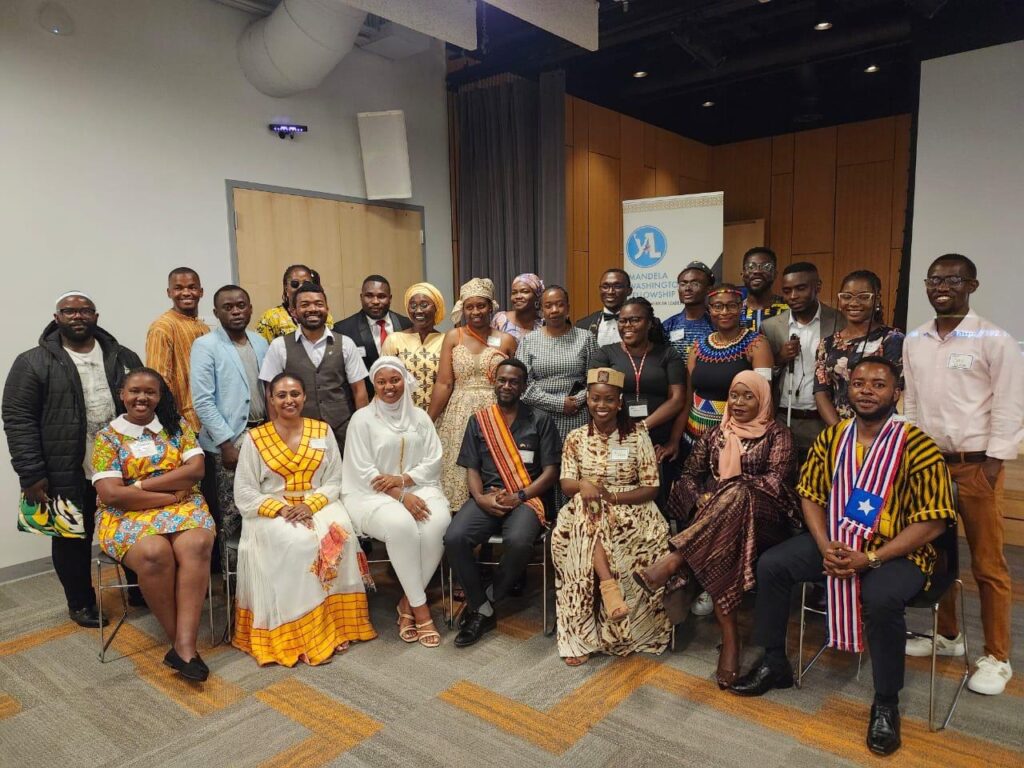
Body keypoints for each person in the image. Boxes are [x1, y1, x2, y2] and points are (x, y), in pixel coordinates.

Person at [729, 357, 956, 758]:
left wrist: (871, 557)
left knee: (882, 599)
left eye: (879, 385)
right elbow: (810, 495)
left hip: (898, 551)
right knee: (773, 564)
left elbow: (933, 524)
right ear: (846, 390)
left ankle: (886, 701)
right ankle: (775, 662)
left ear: (896, 393)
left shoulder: (918, 446)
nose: (867, 390)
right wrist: (824, 547)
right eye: (858, 383)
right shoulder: (833, 439)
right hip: (836, 543)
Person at [903, 253, 1022, 695]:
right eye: (934, 279)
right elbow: (911, 405)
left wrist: (993, 465)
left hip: (978, 465)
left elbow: (1011, 406)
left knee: (988, 564)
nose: (941, 287)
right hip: (930, 464)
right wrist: (912, 454)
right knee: (940, 555)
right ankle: (949, 637)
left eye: (953, 279)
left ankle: (998, 656)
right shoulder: (915, 340)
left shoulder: (994, 339)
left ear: (972, 285)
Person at [636, 371, 799, 687]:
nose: (738, 402)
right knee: (723, 538)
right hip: (718, 527)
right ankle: (730, 637)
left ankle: (674, 560)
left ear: (763, 398)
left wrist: (724, 493)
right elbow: (687, 478)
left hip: (765, 522)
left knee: (736, 494)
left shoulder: (778, 435)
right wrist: (702, 499)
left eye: (747, 396)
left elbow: (777, 484)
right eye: (734, 395)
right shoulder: (714, 434)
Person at [2, 291, 143, 627]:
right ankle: (80, 603)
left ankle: (139, 590)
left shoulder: (123, 356)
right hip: (63, 468)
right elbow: (17, 418)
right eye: (69, 311)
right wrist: (31, 473)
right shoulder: (32, 361)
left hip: (121, 465)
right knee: (70, 539)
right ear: (57, 318)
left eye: (85, 311)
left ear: (96, 316)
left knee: (134, 527)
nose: (78, 316)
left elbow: (146, 401)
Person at [232, 373, 376, 666]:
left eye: (295, 394)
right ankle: (302, 632)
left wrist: (311, 505)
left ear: (304, 397)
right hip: (269, 509)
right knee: (297, 542)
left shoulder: (321, 431)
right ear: (271, 400)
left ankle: (337, 625)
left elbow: (336, 479)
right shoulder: (255, 439)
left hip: (318, 502)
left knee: (338, 535)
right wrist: (279, 509)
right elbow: (245, 491)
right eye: (281, 395)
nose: (289, 400)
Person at [92, 368, 216, 681]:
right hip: (128, 515)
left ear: (159, 397)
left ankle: (184, 647)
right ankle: (182, 643)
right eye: (135, 391)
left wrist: (141, 487)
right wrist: (168, 494)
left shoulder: (176, 427)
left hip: (181, 504)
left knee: (197, 543)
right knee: (153, 552)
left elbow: (196, 469)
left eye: (150, 392)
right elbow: (111, 494)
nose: (142, 398)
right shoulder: (107, 438)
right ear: (122, 394)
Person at [552, 367, 671, 666]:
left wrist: (612, 497)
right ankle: (609, 588)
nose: (600, 406)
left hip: (633, 509)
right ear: (587, 401)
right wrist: (585, 485)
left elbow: (651, 487)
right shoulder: (575, 437)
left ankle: (593, 623)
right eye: (594, 399)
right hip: (586, 505)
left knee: (591, 522)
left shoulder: (638, 436)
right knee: (585, 514)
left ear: (620, 403)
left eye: (608, 400)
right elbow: (567, 484)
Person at [444, 358, 560, 647]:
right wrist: (481, 498)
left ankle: (491, 596)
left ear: (523, 386)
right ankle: (481, 605)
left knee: (520, 543)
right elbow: (471, 467)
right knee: (454, 537)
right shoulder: (479, 419)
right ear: (494, 382)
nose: (507, 386)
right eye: (502, 380)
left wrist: (520, 496)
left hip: (526, 498)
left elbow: (551, 472)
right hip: (488, 497)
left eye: (514, 381)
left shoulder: (540, 420)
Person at [342, 358, 451, 648]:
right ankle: (421, 610)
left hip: (417, 485)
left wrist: (403, 481)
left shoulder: (420, 417)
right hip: (368, 494)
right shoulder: (361, 419)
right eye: (381, 381)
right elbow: (364, 471)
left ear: (405, 381)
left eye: (395, 380)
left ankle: (406, 602)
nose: (389, 387)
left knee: (438, 523)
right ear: (373, 385)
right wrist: (400, 495)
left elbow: (434, 460)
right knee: (401, 524)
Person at [189, 285, 269, 552]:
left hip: (263, 436)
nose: (236, 311)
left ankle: (262, 572)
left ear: (250, 308)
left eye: (241, 305)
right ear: (216, 312)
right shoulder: (205, 346)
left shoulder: (260, 342)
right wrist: (226, 444)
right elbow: (203, 401)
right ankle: (234, 580)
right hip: (230, 442)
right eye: (228, 307)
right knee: (232, 513)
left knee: (264, 505)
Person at [428, 278, 516, 510]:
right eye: (470, 306)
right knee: (459, 469)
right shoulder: (453, 336)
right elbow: (444, 383)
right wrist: (428, 420)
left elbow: (517, 382)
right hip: (459, 414)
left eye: (481, 305)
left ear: (491, 307)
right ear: (463, 309)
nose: (476, 311)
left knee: (493, 465)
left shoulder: (506, 340)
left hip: (495, 412)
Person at [591, 297, 686, 505]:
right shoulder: (605, 354)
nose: (627, 326)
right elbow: (598, 399)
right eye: (623, 320)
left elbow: (678, 400)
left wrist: (644, 427)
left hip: (657, 441)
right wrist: (624, 433)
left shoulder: (668, 355)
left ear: (650, 322)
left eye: (635, 320)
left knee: (654, 503)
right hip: (615, 438)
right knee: (615, 500)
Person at [258, 282, 369, 454]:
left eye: (319, 304)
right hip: (297, 433)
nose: (313, 309)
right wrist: (277, 433)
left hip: (342, 432)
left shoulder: (345, 343)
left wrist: (362, 430)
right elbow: (270, 393)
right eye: (305, 305)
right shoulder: (279, 346)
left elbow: (359, 390)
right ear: (294, 311)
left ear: (327, 308)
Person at [516, 285, 597, 508]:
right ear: (541, 310)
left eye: (560, 304)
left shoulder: (586, 338)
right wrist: (558, 403)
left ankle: (571, 521)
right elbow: (522, 384)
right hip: (540, 416)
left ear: (568, 308)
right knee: (542, 467)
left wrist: (577, 402)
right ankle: (542, 518)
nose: (554, 310)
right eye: (548, 305)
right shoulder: (529, 341)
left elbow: (594, 380)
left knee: (572, 468)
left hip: (576, 416)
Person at [761, 262, 845, 456]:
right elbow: (763, 374)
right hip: (783, 418)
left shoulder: (839, 321)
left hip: (824, 420)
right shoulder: (771, 326)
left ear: (817, 287)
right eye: (787, 290)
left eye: (801, 288)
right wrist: (779, 359)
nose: (793, 296)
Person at [674, 284, 773, 447]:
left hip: (736, 438)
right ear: (709, 310)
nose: (725, 312)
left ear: (741, 307)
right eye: (718, 306)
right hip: (694, 436)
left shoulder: (757, 344)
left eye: (731, 305)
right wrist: (675, 439)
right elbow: (688, 398)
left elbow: (764, 399)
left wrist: (757, 441)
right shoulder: (698, 346)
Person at [814, 270, 904, 426]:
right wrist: (841, 432)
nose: (854, 303)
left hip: (881, 432)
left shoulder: (892, 339)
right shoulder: (827, 343)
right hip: (838, 430)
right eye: (847, 297)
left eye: (863, 297)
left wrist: (870, 433)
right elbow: (821, 392)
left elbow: (898, 391)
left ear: (876, 300)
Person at [145, 267, 210, 433]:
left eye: (192, 287)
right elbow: (158, 381)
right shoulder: (162, 327)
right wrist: (172, 424)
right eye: (179, 288)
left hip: (208, 421)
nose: (186, 293)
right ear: (169, 292)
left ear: (201, 292)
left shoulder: (203, 327)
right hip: (184, 424)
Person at [333, 274, 411, 396]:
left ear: (390, 298)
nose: (375, 301)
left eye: (381, 296)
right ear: (361, 297)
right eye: (369, 296)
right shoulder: (343, 329)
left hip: (402, 399)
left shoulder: (406, 324)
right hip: (366, 402)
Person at [380, 282, 446, 410]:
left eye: (424, 305)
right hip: (402, 414)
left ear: (436, 307)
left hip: (439, 415)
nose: (418, 310)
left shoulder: (446, 341)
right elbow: (382, 381)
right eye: (413, 305)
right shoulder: (394, 340)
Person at [255, 264, 334, 342]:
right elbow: (261, 349)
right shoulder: (270, 317)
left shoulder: (324, 316)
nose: (301, 287)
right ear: (286, 288)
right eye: (295, 284)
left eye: (306, 283)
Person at [662, 261, 715, 362]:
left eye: (695, 283)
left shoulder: (716, 324)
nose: (687, 288)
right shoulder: (668, 325)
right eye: (683, 284)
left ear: (709, 289)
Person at [575, 268, 633, 346]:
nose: (610, 292)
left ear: (629, 291)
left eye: (617, 287)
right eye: (605, 287)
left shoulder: (643, 324)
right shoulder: (583, 326)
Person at [738, 247, 788, 332]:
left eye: (766, 267)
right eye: (751, 267)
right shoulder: (734, 311)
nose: (757, 271)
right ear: (742, 274)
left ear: (775, 274)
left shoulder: (789, 309)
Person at [491, 273, 544, 341]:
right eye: (514, 292)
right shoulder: (500, 320)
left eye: (525, 292)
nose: (518, 296)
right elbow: (491, 345)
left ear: (537, 296)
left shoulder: (542, 325)